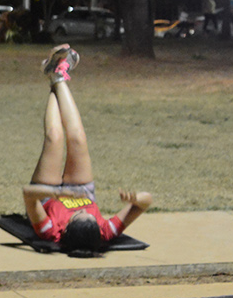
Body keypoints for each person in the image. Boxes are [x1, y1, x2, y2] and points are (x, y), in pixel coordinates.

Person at [20, 45, 152, 256]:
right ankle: (56, 76)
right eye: (89, 214)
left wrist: (57, 193)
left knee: (55, 138)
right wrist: (134, 198)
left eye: (77, 214)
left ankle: (57, 77)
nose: (81, 210)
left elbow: (28, 195)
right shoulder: (104, 232)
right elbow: (146, 201)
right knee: (78, 139)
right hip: (82, 188)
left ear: (65, 230)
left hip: (47, 196)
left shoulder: (50, 232)